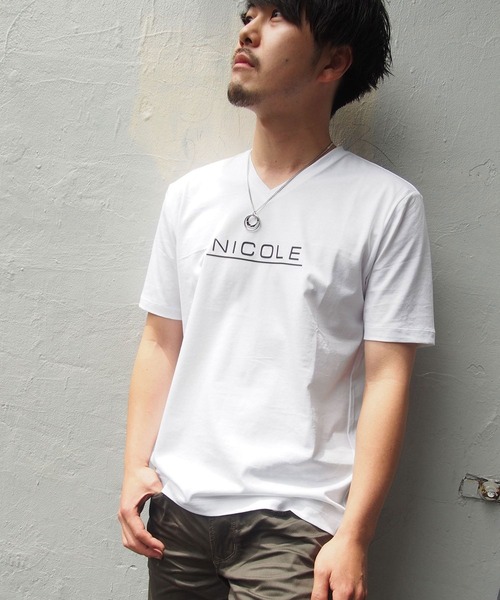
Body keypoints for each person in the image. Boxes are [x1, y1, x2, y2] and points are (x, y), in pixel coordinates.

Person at [118, 1, 435, 599]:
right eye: (249, 13)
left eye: (279, 16)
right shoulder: (191, 195)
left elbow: (389, 377)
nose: (248, 30)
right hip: (178, 510)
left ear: (333, 63)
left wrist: (355, 534)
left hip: (295, 522)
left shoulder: (386, 205)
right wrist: (136, 466)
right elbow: (161, 340)